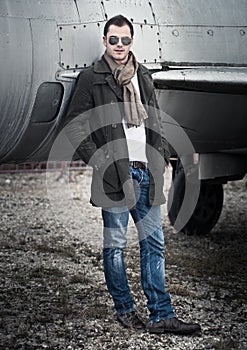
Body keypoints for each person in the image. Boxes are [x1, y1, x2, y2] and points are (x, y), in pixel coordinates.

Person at [65, 14, 201, 335]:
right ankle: (125, 309)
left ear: (132, 41)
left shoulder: (142, 75)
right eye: (114, 40)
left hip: (147, 172)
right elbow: (75, 124)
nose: (120, 46)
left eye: (126, 40)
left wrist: (162, 153)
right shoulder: (92, 77)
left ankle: (161, 315)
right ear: (105, 41)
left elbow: (154, 118)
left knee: (154, 245)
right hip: (114, 175)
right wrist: (99, 160)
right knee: (115, 246)